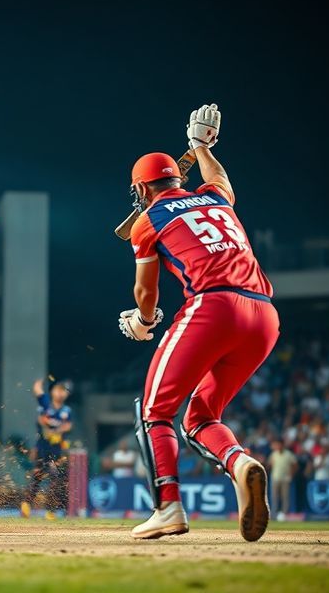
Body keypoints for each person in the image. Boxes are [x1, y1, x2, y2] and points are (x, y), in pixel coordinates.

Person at [123, 104, 279, 542]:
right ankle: (240, 463)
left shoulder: (147, 221)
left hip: (214, 307)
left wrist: (143, 321)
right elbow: (222, 181)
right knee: (200, 415)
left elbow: (146, 294)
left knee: (154, 412)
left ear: (142, 188)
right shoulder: (213, 197)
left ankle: (168, 506)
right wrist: (201, 146)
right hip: (264, 313)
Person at [21, 378, 73, 519]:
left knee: (53, 478)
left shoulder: (66, 410)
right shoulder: (46, 404)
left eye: (64, 391)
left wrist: (57, 432)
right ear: (53, 391)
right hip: (42, 448)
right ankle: (28, 505)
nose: (61, 393)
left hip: (56, 451)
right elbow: (37, 391)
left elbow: (68, 426)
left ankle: (48, 509)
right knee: (40, 476)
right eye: (58, 390)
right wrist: (40, 381)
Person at [268, 440, 297, 520]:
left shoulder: (288, 454)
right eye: (277, 445)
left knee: (285, 496)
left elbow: (295, 465)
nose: (278, 447)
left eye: (279, 445)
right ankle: (274, 513)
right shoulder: (274, 454)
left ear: (282, 445)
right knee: (274, 496)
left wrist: (291, 475)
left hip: (285, 478)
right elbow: (270, 464)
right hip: (275, 478)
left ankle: (284, 513)